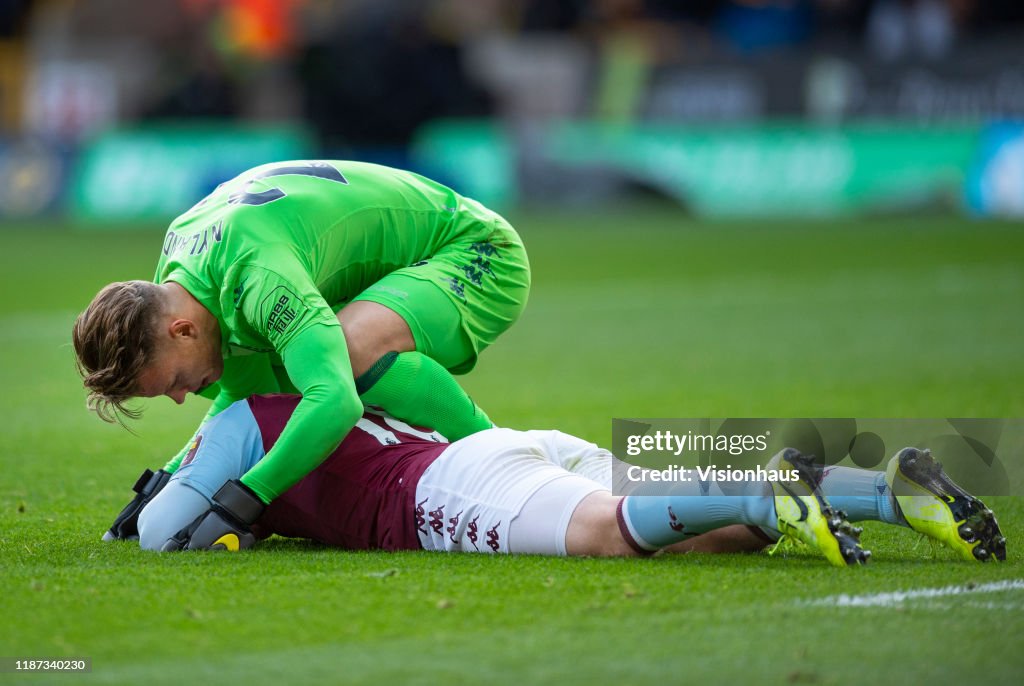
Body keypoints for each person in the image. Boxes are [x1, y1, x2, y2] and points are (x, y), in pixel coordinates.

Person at [73, 160, 530, 548]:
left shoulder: (256, 275)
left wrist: (248, 498)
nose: (179, 398)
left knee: (347, 354)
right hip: (404, 261)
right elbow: (251, 397)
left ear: (183, 331)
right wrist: (170, 479)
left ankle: (505, 463)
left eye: (172, 382)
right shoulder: (181, 282)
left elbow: (335, 401)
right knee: (300, 373)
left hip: (479, 251)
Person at [133, 395, 1007, 565]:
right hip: (509, 443)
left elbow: (163, 533)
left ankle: (761, 487)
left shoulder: (237, 421)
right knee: (714, 532)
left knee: (606, 531)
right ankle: (892, 491)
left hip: (441, 491)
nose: (176, 393)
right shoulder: (331, 369)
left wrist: (181, 483)